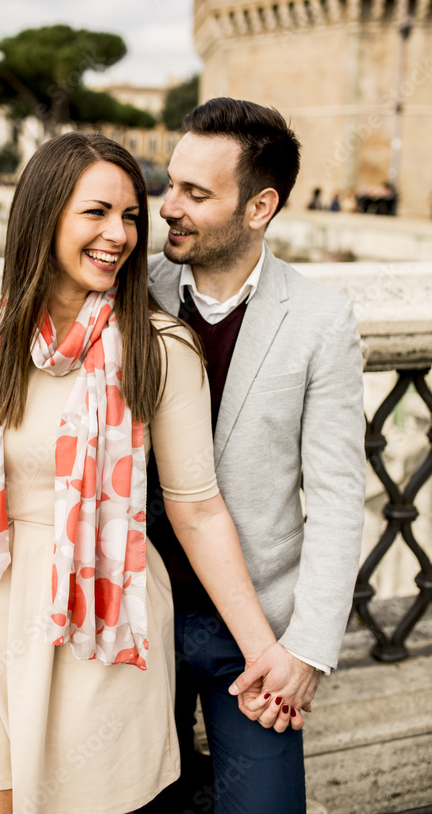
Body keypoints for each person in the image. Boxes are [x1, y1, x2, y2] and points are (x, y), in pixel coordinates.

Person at [0, 131, 300, 814]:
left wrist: (267, 654)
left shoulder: (158, 348)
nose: (119, 234)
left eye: (131, 217)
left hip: (95, 625)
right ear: (43, 213)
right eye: (96, 212)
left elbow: (196, 509)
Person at [138, 98, 366, 814]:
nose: (168, 207)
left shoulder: (321, 321)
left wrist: (305, 651)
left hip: (255, 640)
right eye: (170, 184)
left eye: (195, 194)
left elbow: (335, 497)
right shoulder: (126, 291)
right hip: (131, 623)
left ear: (259, 206)